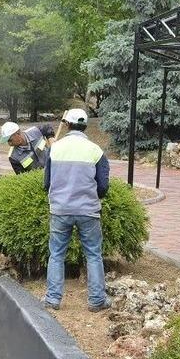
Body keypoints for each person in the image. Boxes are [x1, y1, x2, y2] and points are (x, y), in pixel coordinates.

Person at [42, 108, 111, 312]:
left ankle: (53, 299)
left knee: (56, 254)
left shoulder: (55, 149)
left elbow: (46, 183)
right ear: (85, 126)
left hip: (60, 209)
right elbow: (103, 186)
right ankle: (97, 300)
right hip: (88, 210)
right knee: (93, 254)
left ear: (68, 125)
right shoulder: (96, 150)